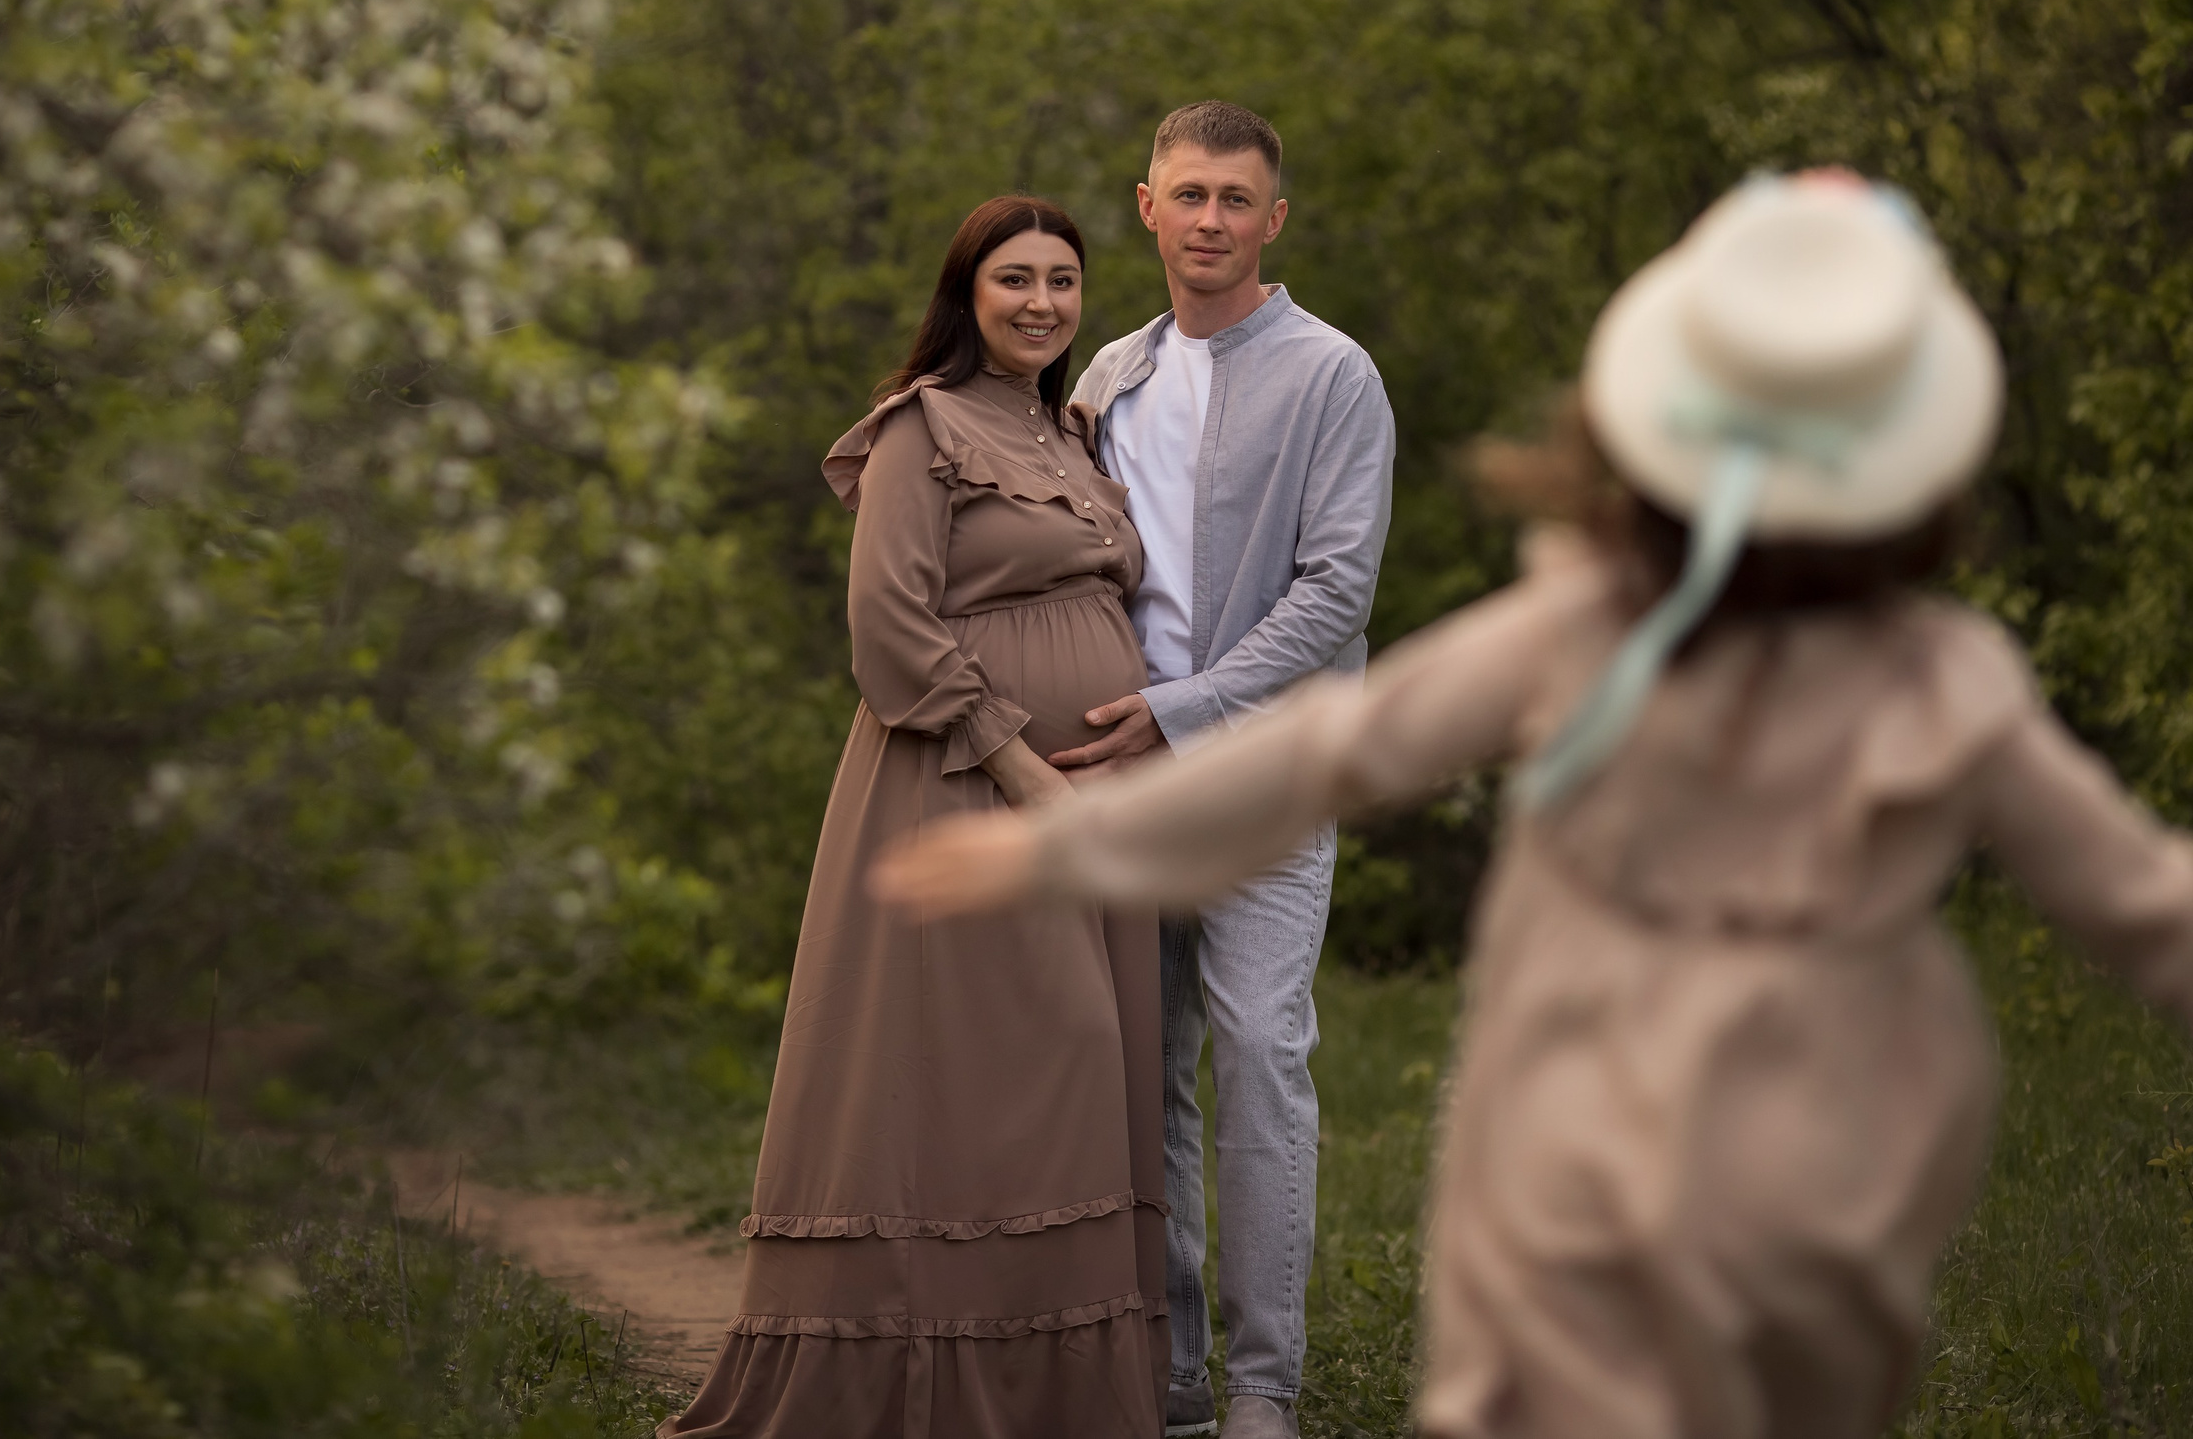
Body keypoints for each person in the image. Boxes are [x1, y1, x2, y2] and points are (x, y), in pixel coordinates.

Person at [873, 171, 2193, 1439]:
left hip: (1765, 1160)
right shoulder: (1644, 634)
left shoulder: (1829, 662)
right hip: (1673, 1141)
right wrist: (1080, 835)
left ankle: (1260, 1379)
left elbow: (1332, 735)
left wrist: (1069, 840)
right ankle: (1184, 1379)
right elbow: (1346, 745)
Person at [661, 196, 1169, 1438]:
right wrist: (1023, 767)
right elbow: (888, 631)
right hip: (957, 789)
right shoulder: (917, 429)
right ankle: (917, 1381)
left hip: (1094, 810)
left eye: (1062, 280)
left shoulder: (1075, 431)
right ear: (966, 293)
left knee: (1080, 1074)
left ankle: (1060, 1394)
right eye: (1015, 280)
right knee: (977, 1081)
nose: (1042, 302)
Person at [1057, 101, 1395, 1439]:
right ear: (1146, 205)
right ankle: (1175, 1371)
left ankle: (1262, 1387)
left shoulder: (1332, 375)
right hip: (1122, 781)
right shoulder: (1104, 378)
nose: (1209, 220)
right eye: (1186, 193)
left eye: (1235, 198)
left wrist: (1179, 709)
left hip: (1263, 770)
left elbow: (1334, 594)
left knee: (1260, 1052)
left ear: (1274, 219)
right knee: (1145, 1075)